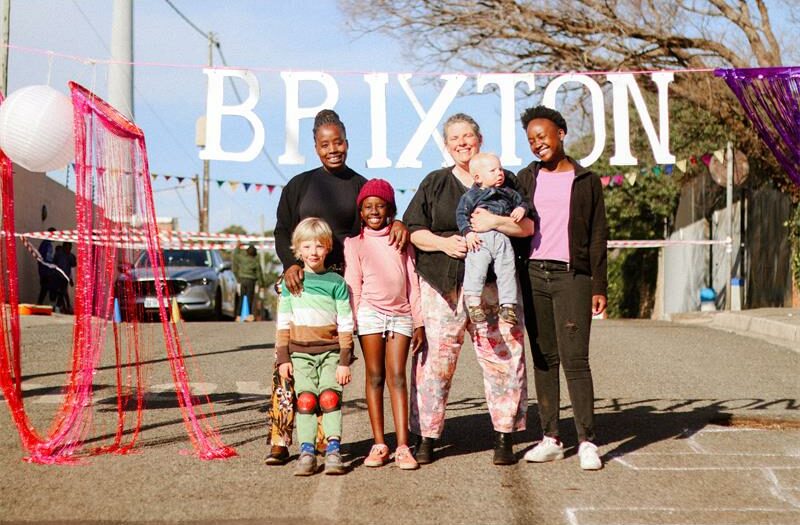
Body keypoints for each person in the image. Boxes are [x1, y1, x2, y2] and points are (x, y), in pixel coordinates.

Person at [267, 109, 409, 465]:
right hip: (300, 282)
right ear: (315, 147)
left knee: (328, 360)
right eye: (324, 144)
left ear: (347, 142)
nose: (333, 149)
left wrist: (402, 222)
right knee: (290, 357)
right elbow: (283, 230)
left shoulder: (360, 184)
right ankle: (281, 438)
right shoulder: (299, 185)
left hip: (339, 284)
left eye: (339, 142)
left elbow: (380, 215)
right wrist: (290, 265)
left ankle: (322, 439)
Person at [403, 113, 534, 465]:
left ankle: (505, 435)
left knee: (503, 356)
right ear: (447, 146)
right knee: (435, 363)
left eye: (468, 136)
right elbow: (413, 228)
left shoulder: (505, 181)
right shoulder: (435, 183)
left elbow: (528, 227)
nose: (462, 142)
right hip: (442, 285)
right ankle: (426, 436)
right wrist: (445, 244)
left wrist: (497, 222)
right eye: (454, 138)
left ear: (479, 139)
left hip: (495, 286)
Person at [515, 105, 608, 471]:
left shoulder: (586, 181)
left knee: (576, 360)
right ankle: (551, 437)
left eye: (543, 136)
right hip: (533, 276)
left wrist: (599, 284)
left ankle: (587, 441)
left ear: (561, 133)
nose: (538, 143)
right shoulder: (525, 178)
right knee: (543, 358)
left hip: (573, 277)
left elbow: (598, 236)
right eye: (532, 140)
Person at [344, 179, 425, 471]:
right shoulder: (353, 244)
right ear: (361, 212)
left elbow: (413, 282)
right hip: (369, 314)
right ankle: (379, 443)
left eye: (380, 206)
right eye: (368, 207)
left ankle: (403, 446)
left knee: (397, 377)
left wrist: (419, 321)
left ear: (390, 209)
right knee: (375, 376)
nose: (374, 211)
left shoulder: (401, 240)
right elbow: (353, 282)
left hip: (401, 314)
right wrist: (351, 324)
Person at [275, 217, 354, 476]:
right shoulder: (292, 283)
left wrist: (345, 360)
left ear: (328, 247)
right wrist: (283, 357)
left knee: (330, 398)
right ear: (298, 250)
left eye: (319, 246)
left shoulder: (337, 282)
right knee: (306, 400)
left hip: (330, 352)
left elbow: (345, 322)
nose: (313, 252)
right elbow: (283, 322)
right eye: (307, 247)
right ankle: (307, 451)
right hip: (300, 354)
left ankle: (333, 449)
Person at [456, 152, 532, 326]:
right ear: (478, 178)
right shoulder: (471, 196)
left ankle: (508, 305)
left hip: (502, 238)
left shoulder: (508, 192)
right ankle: (474, 303)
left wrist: (521, 209)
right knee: (476, 269)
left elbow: (523, 202)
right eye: (493, 170)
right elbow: (461, 214)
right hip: (479, 240)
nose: (500, 173)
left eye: (500, 169)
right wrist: (467, 232)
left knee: (507, 270)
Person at [233, 244, 262, 321]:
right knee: (250, 298)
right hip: (251, 281)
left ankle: (238, 316)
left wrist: (237, 247)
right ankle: (250, 316)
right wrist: (261, 284)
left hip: (242, 280)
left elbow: (235, 255)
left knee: (241, 298)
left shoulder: (242, 259)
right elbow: (259, 274)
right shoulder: (255, 262)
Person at [52, 242, 76, 314]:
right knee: (61, 292)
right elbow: (53, 265)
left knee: (63, 292)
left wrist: (71, 279)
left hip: (65, 278)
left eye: (70, 248)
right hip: (58, 276)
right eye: (67, 247)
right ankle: (62, 306)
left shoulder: (71, 256)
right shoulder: (59, 254)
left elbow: (72, 267)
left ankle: (61, 306)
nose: (69, 249)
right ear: (64, 247)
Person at [36, 227, 57, 305]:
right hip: (45, 270)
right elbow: (44, 259)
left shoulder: (48, 244)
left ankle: (41, 303)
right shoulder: (46, 244)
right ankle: (40, 303)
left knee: (46, 288)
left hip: (46, 270)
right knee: (45, 287)